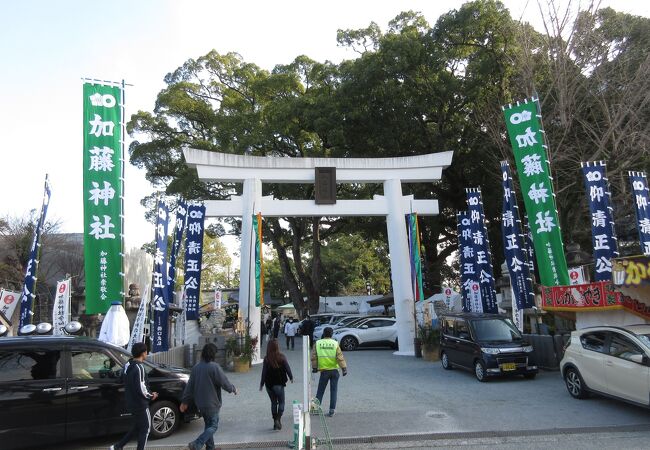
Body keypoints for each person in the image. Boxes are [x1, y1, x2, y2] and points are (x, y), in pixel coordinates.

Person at [180, 343, 238, 450]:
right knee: (213, 426)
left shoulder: (196, 368)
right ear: (212, 354)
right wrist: (233, 389)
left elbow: (189, 387)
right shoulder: (214, 367)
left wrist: (184, 401)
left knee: (208, 425)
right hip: (212, 404)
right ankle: (197, 444)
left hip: (200, 404)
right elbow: (224, 382)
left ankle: (210, 448)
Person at [110, 342, 158, 450]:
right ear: (143, 353)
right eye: (146, 352)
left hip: (131, 402)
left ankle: (118, 446)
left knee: (137, 427)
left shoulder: (128, 364)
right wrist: (151, 395)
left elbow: (121, 378)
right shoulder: (139, 368)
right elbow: (142, 388)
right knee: (146, 429)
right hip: (140, 404)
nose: (147, 354)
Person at [311, 327, 347, 417]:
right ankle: (331, 411)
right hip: (334, 371)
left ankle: (315, 409)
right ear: (331, 334)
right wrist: (344, 368)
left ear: (323, 333)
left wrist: (315, 368)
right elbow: (340, 357)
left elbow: (314, 357)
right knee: (334, 391)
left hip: (324, 371)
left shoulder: (318, 343)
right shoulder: (335, 343)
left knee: (320, 390)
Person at [259, 339, 294, 430]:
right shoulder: (282, 357)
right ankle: (278, 419)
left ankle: (275, 422)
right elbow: (287, 368)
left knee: (273, 403)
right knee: (282, 402)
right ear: (277, 347)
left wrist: (262, 384)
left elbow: (264, 373)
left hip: (269, 385)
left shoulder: (267, 359)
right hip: (279, 384)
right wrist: (291, 377)